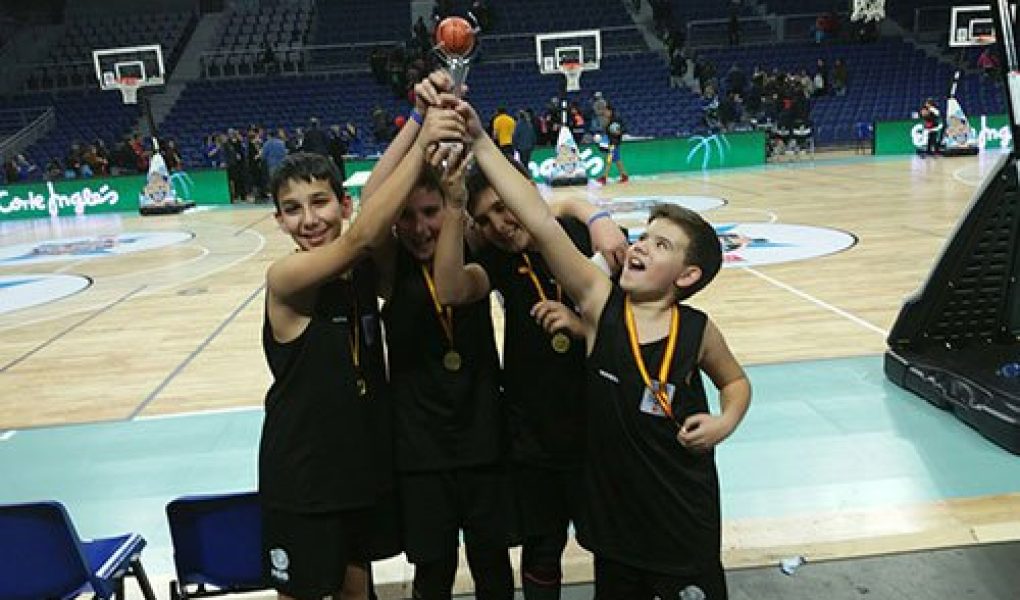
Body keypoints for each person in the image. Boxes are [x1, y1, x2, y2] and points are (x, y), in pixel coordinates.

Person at [454, 96, 752, 600]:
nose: (640, 245)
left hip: (680, 513)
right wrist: (481, 141)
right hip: (611, 519)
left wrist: (726, 421)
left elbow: (736, 382)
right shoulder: (601, 305)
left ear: (687, 275)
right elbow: (540, 222)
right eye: (645, 237)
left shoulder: (698, 330)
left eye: (660, 245)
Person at [259, 109, 461, 600]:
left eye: (320, 202)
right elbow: (364, 234)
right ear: (279, 220)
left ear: (343, 203)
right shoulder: (286, 278)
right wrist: (422, 143)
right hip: (304, 474)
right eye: (292, 209)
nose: (309, 219)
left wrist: (419, 117)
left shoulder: (364, 271)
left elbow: (374, 207)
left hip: (358, 466)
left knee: (357, 591)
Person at [433, 157, 628, 599]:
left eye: (504, 207)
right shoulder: (499, 257)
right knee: (541, 549)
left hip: (599, 427)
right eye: (485, 219)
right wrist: (456, 207)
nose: (499, 225)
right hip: (534, 434)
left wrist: (589, 213)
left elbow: (636, 329)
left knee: (612, 546)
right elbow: (451, 289)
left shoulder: (585, 237)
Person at [359, 71, 514, 600]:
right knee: (433, 574)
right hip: (420, 450)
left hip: (483, 438)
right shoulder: (390, 266)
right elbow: (373, 200)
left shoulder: (471, 244)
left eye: (430, 213)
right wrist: (418, 121)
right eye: (407, 217)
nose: (420, 227)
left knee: (494, 569)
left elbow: (525, 206)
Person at [598, 106, 629, 185]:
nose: (605, 112)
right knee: (617, 160)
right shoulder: (608, 120)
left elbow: (623, 129)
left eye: (606, 111)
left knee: (609, 160)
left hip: (614, 143)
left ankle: (604, 177)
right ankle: (624, 176)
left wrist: (619, 132)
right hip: (611, 142)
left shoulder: (616, 120)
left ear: (610, 111)